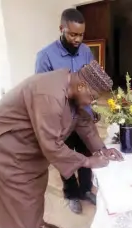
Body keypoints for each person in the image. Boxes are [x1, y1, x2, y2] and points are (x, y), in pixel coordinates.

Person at [0, 60, 123, 228]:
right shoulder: (50, 95)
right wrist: (88, 161)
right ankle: (22, 225)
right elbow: (52, 146)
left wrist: (102, 150)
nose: (91, 102)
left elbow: (84, 124)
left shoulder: (72, 89)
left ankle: (32, 223)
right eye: (92, 97)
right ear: (82, 86)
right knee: (20, 191)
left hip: (26, 140)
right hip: (5, 142)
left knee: (35, 185)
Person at [35, 8, 98, 214]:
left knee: (87, 151)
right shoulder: (45, 56)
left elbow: (89, 80)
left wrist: (91, 101)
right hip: (61, 118)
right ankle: (71, 193)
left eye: (81, 34)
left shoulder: (86, 51)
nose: (78, 39)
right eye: (72, 34)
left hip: (84, 114)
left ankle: (87, 189)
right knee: (66, 156)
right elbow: (42, 91)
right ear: (61, 29)